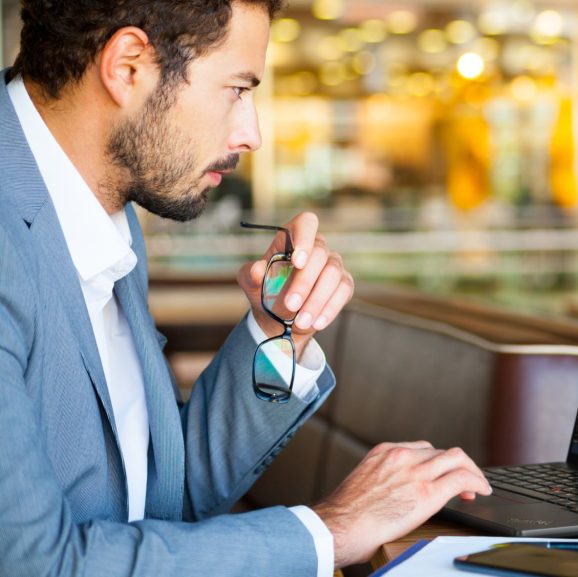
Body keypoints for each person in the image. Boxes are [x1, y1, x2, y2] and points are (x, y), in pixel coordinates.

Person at [0, 1, 491, 576]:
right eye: (237, 89)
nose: (251, 134)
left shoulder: (105, 207)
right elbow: (36, 565)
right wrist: (333, 531)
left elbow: (160, 498)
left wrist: (282, 329)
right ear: (128, 66)